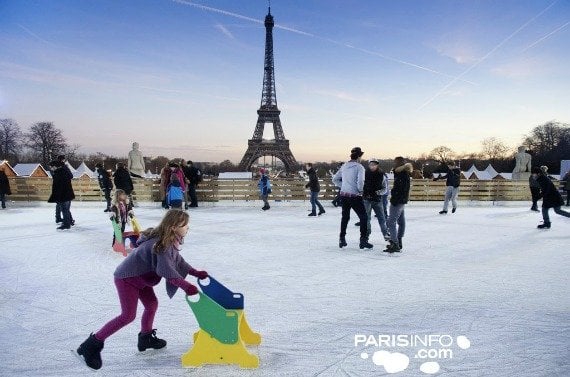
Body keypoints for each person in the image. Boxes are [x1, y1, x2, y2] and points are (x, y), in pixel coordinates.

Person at [76, 210, 208, 370]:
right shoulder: (162, 245)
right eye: (185, 225)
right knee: (127, 316)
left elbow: (179, 262)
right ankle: (91, 344)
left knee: (152, 304)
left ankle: (145, 338)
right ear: (174, 227)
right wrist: (187, 286)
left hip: (141, 278)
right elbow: (167, 271)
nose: (188, 228)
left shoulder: (169, 241)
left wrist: (195, 273)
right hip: (127, 278)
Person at [332, 147, 372, 249]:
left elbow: (335, 179)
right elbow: (360, 182)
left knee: (345, 217)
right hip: (354, 196)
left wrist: (344, 186)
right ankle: (363, 240)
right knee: (364, 217)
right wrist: (360, 190)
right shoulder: (359, 167)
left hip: (344, 195)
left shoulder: (344, 166)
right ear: (359, 157)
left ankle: (342, 239)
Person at [384, 157, 413, 253]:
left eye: (395, 163)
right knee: (401, 221)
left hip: (398, 201)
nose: (393, 164)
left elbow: (401, 189)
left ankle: (395, 243)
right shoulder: (404, 174)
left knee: (391, 222)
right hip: (401, 200)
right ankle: (399, 241)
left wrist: (395, 198)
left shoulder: (401, 174)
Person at [363, 158, 389, 241]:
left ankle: (385, 234)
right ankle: (366, 235)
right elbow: (360, 184)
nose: (372, 166)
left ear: (377, 165)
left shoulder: (382, 175)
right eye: (371, 164)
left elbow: (385, 188)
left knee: (381, 218)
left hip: (377, 199)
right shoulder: (364, 174)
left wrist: (379, 192)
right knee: (367, 218)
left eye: (374, 165)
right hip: (366, 199)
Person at [48, 160, 75, 230]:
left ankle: (66, 224)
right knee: (66, 209)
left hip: (64, 195)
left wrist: (57, 196)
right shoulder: (63, 171)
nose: (51, 168)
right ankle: (68, 222)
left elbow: (59, 186)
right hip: (67, 194)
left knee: (64, 209)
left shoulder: (59, 173)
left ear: (55, 166)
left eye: (51, 167)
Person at [55, 155, 75, 225]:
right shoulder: (63, 167)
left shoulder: (59, 168)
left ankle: (63, 219)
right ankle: (67, 220)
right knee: (64, 206)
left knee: (62, 206)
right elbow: (70, 176)